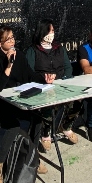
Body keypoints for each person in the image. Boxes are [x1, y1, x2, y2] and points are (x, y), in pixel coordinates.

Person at [0, 25, 47, 183]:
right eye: (9, 39)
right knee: (13, 126)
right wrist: (9, 65)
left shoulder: (19, 54)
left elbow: (29, 75)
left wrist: (44, 78)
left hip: (19, 99)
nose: (13, 41)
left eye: (13, 37)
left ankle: (32, 157)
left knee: (37, 119)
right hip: (0, 102)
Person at [24, 19, 80, 149]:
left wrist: (60, 78)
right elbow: (29, 71)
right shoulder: (33, 50)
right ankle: (46, 132)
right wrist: (43, 78)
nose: (51, 34)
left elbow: (68, 67)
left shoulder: (59, 48)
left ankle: (66, 126)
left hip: (60, 82)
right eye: (49, 31)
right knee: (50, 102)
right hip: (42, 85)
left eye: (53, 31)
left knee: (78, 99)